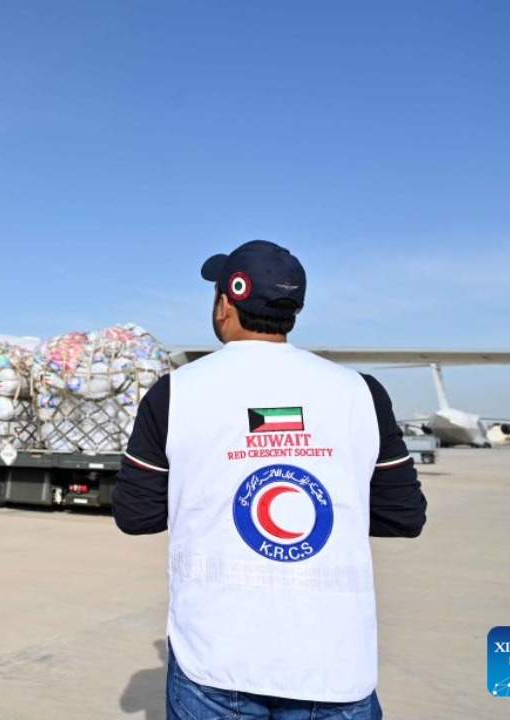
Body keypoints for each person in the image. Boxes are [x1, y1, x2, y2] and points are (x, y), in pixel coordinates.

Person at [112, 240, 427, 720]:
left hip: (216, 662)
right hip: (335, 663)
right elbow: (403, 516)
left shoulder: (175, 393)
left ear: (225, 303)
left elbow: (136, 517)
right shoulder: (361, 393)